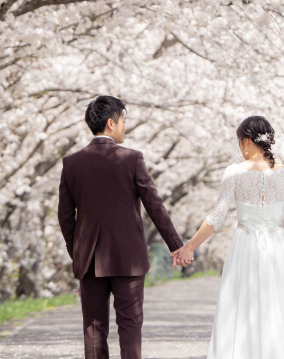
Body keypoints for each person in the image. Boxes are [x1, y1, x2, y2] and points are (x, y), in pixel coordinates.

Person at [57, 95, 189, 359]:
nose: (125, 127)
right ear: (111, 123)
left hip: (89, 259)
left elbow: (65, 216)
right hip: (129, 258)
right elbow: (154, 206)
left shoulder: (71, 162)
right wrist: (176, 245)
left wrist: (79, 251)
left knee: (94, 328)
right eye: (123, 121)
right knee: (130, 325)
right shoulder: (132, 159)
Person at [175, 115, 284, 359]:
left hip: (245, 247)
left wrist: (190, 246)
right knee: (277, 307)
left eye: (240, 142)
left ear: (247, 141)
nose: (240, 148)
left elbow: (216, 218)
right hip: (276, 250)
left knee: (240, 306)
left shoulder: (234, 172)